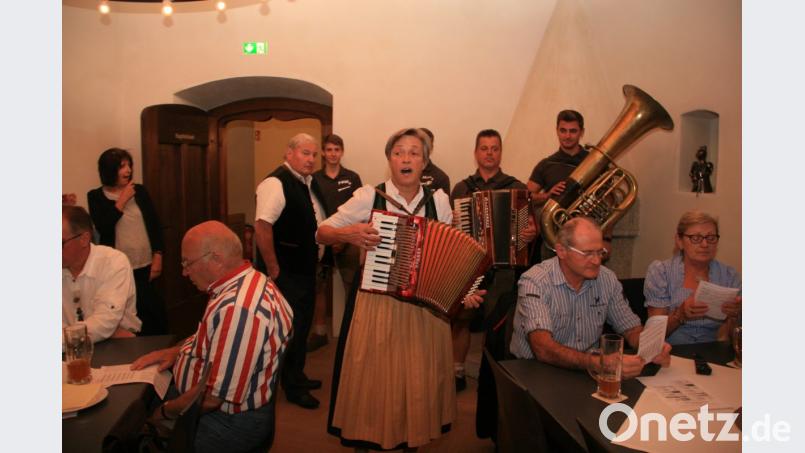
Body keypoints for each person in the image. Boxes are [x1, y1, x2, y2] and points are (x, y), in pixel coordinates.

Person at [317, 128, 484, 450]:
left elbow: (452, 255)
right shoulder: (370, 196)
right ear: (389, 160)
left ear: (425, 162)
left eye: (414, 153)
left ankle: (411, 440)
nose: (406, 158)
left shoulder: (438, 200)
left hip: (425, 309)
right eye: (398, 152)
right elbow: (321, 233)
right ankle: (369, 439)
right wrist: (350, 233)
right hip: (377, 306)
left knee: (417, 382)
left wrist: (464, 290)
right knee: (376, 380)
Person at [131, 221, 293, 453]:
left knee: (133, 424)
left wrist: (165, 411)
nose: (184, 272)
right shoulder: (247, 281)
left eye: (187, 263)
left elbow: (210, 399)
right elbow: (215, 340)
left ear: (215, 259)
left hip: (227, 423)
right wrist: (176, 351)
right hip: (218, 408)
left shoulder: (239, 310)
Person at [510, 217, 670, 379]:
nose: (596, 261)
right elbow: (543, 348)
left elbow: (631, 329)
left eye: (600, 252)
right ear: (561, 251)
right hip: (535, 372)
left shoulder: (607, 279)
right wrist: (597, 363)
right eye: (587, 253)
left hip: (585, 371)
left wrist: (651, 346)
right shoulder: (535, 281)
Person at [449, 129, 536, 391]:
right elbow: (450, 231)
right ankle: (457, 370)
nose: (489, 153)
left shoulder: (516, 187)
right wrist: (454, 222)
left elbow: (529, 229)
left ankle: (493, 377)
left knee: (497, 323)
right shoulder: (462, 188)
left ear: (500, 152)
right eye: (484, 148)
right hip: (469, 266)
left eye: (494, 148)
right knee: (462, 319)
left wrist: (530, 234)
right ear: (476, 153)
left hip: (503, 268)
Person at [254, 133, 326, 409]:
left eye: (313, 155)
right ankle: (292, 387)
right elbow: (262, 227)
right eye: (305, 153)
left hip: (304, 270)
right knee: (289, 331)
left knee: (301, 326)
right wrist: (274, 270)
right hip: (287, 274)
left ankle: (297, 374)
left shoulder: (307, 181)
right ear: (289, 153)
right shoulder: (276, 183)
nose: (310, 159)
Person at [88, 148, 168, 335]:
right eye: (122, 166)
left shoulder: (139, 191)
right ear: (109, 170)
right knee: (126, 315)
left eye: (129, 165)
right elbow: (103, 226)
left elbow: (155, 225)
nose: (128, 170)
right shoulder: (95, 196)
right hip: (118, 268)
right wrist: (121, 201)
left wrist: (158, 254)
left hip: (146, 264)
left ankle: (160, 348)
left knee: (153, 311)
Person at [644, 211, 741, 345]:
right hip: (671, 351)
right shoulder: (662, 272)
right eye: (696, 238)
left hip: (713, 352)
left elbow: (734, 340)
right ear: (679, 241)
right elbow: (652, 335)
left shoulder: (729, 276)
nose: (705, 244)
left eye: (711, 238)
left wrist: (734, 316)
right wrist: (679, 315)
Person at [309, 134, 363, 351]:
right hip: (322, 241)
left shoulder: (352, 178)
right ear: (323, 152)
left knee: (353, 287)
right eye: (329, 150)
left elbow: (360, 209)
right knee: (318, 287)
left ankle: (354, 333)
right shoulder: (313, 179)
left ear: (342, 152)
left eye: (336, 150)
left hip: (349, 241)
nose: (333, 154)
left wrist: (343, 237)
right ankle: (320, 332)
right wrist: (329, 238)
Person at [62, 205, 141, 343]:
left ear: (84, 239)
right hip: (70, 350)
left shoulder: (113, 262)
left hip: (119, 347)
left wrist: (67, 335)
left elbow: (104, 322)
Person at [526, 110, 588, 204]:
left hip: (587, 218)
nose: (567, 136)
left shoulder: (594, 160)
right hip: (555, 218)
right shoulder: (546, 164)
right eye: (563, 130)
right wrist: (547, 195)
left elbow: (611, 196)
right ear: (557, 131)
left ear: (582, 132)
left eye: (573, 131)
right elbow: (525, 196)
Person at [418, 127, 451, 195]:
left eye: (426, 145)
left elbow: (444, 205)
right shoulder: (402, 172)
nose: (422, 148)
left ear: (431, 148)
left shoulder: (441, 178)